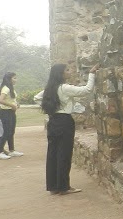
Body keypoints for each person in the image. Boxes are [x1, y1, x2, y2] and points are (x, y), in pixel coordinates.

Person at [36, 63, 99, 195]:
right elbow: (86, 90)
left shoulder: (50, 88)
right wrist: (92, 74)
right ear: (61, 73)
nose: (70, 72)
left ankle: (53, 185)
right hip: (64, 121)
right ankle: (64, 186)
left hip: (53, 121)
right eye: (67, 70)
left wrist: (52, 108)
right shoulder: (64, 88)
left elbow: (36, 98)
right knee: (64, 154)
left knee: (53, 153)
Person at [0, 72, 23, 157]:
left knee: (11, 131)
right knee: (7, 131)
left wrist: (16, 103)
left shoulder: (10, 88)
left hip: (11, 112)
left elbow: (11, 99)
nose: (16, 80)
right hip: (6, 112)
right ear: (9, 79)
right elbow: (1, 100)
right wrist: (12, 105)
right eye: (14, 78)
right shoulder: (6, 88)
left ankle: (11, 150)